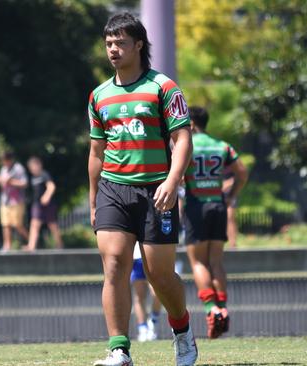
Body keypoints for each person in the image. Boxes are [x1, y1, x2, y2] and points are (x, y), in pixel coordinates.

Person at [88, 13, 197, 366]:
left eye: (120, 42)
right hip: (113, 189)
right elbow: (95, 152)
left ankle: (182, 331)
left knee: (159, 274)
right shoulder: (99, 96)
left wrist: (172, 180)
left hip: (156, 191)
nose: (113, 49)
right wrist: (94, 200)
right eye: (108, 44)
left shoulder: (164, 88)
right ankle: (119, 349)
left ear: (138, 45)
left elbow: (183, 140)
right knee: (115, 264)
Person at [184, 106, 248, 339]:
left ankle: (211, 309)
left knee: (198, 262)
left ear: (191, 124)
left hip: (196, 206)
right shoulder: (222, 146)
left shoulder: (186, 145)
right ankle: (223, 306)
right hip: (218, 205)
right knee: (216, 261)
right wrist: (231, 195)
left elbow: (178, 176)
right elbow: (242, 172)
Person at [26, 156, 63, 250]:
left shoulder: (44, 174)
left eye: (33, 166)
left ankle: (59, 245)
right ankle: (31, 246)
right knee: (34, 224)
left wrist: (46, 196)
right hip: (37, 204)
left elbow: (51, 186)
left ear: (39, 165)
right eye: (30, 168)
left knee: (52, 225)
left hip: (48, 204)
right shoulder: (33, 178)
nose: (32, 169)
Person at [0, 152, 29, 251]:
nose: (3, 163)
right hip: (5, 200)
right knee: (6, 224)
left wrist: (11, 181)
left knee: (17, 224)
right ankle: (7, 245)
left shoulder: (18, 168)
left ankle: (31, 241)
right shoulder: (4, 169)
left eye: (5, 161)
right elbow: (2, 182)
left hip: (16, 201)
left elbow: (24, 183)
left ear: (10, 159)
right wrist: (0, 180)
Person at [130, 243, 162, 342]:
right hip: (136, 259)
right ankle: (143, 329)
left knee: (157, 293)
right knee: (139, 296)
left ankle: (152, 321)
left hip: (153, 255)